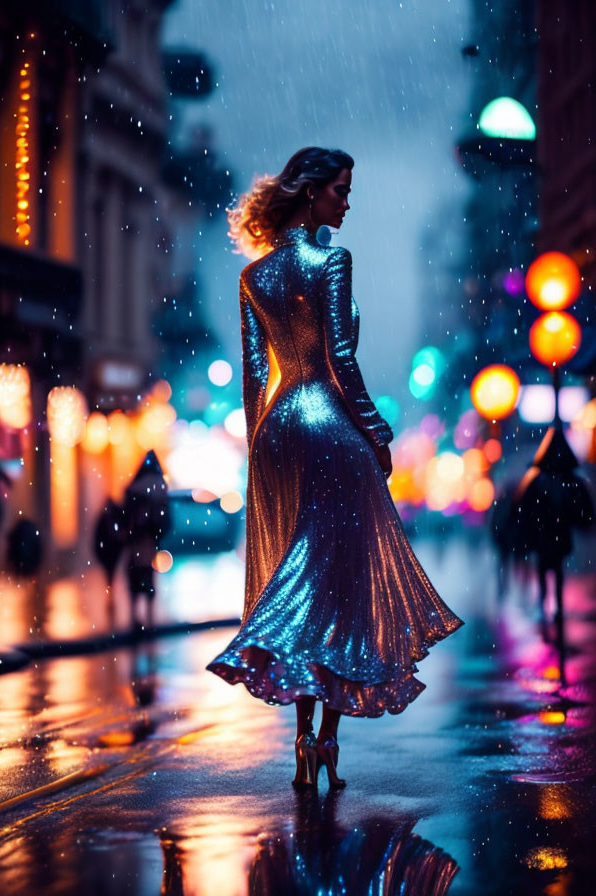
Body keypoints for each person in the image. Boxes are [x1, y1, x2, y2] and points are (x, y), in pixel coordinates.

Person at [206, 147, 464, 789]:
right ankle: (324, 743)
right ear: (312, 193)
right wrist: (377, 434)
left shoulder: (254, 277)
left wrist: (259, 447)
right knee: (340, 584)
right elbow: (340, 360)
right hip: (330, 423)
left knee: (297, 575)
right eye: (342, 191)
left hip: (278, 431)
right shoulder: (333, 261)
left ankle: (300, 739)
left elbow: (256, 376)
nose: (347, 203)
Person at [122, 450, 171, 632]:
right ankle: (148, 618)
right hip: (149, 544)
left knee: (135, 577)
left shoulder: (135, 489)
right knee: (148, 577)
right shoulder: (158, 489)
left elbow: (125, 515)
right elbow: (165, 519)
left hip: (137, 544)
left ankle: (135, 616)